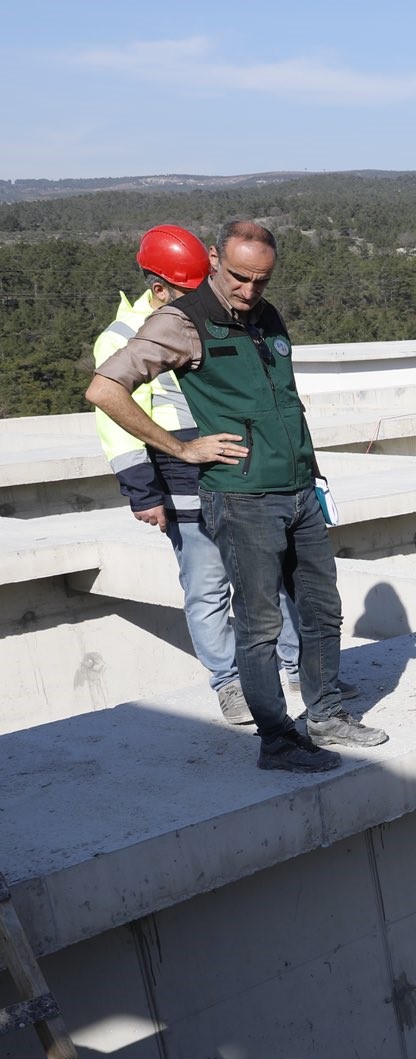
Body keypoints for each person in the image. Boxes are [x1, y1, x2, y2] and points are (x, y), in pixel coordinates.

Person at [86, 218, 386, 772]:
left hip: (298, 490)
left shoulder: (266, 316)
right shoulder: (182, 321)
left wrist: (313, 474)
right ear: (215, 260)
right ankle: (276, 740)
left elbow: (287, 400)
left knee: (321, 612)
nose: (249, 291)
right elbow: (104, 388)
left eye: (262, 280)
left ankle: (324, 713)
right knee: (259, 625)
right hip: (243, 498)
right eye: (240, 277)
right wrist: (181, 450)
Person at [92, 224, 310, 726]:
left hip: (235, 467)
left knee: (270, 575)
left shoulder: (220, 318)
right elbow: (116, 422)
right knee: (208, 584)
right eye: (187, 293)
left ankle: (296, 668)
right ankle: (228, 683)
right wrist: (143, 492)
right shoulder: (122, 339)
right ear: (158, 288)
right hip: (179, 473)